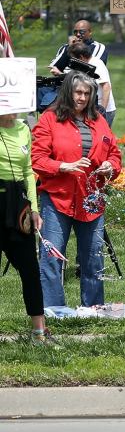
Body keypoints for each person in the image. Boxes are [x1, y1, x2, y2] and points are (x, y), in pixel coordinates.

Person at [31, 72, 121, 308]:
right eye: (77, 92)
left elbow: (114, 153)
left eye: (86, 93)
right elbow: (38, 159)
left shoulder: (99, 120)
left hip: (91, 199)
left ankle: (93, 309)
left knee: (93, 258)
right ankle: (53, 310)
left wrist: (110, 165)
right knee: (52, 257)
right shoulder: (50, 119)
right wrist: (63, 166)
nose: (81, 98)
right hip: (57, 198)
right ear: (67, 93)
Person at [0, 113, 56, 344]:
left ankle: (39, 332)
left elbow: (28, 172)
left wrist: (33, 208)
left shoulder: (23, 129)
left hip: (18, 205)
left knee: (30, 271)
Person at [67, 37, 116, 128]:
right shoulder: (85, 65)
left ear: (81, 57)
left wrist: (102, 111)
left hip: (104, 109)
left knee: (101, 138)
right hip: (93, 109)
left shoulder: (96, 64)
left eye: (74, 58)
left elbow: (106, 87)